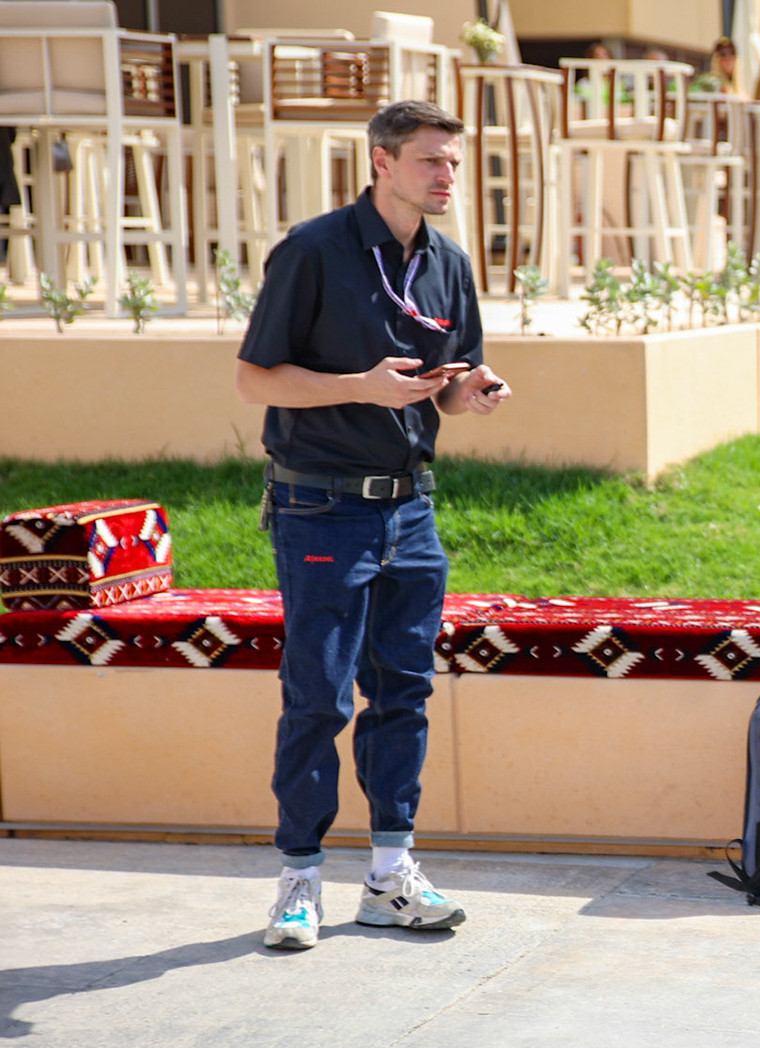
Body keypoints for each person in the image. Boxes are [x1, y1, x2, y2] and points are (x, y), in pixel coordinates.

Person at [235, 100, 512, 951]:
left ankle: (391, 873)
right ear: (381, 162)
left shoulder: (449, 262)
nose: (446, 176)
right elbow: (255, 379)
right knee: (317, 695)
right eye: (431, 160)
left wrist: (471, 393)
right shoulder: (313, 252)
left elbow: (449, 381)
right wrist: (360, 384)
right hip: (321, 504)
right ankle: (299, 881)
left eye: (454, 163)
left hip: (411, 506)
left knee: (404, 692)